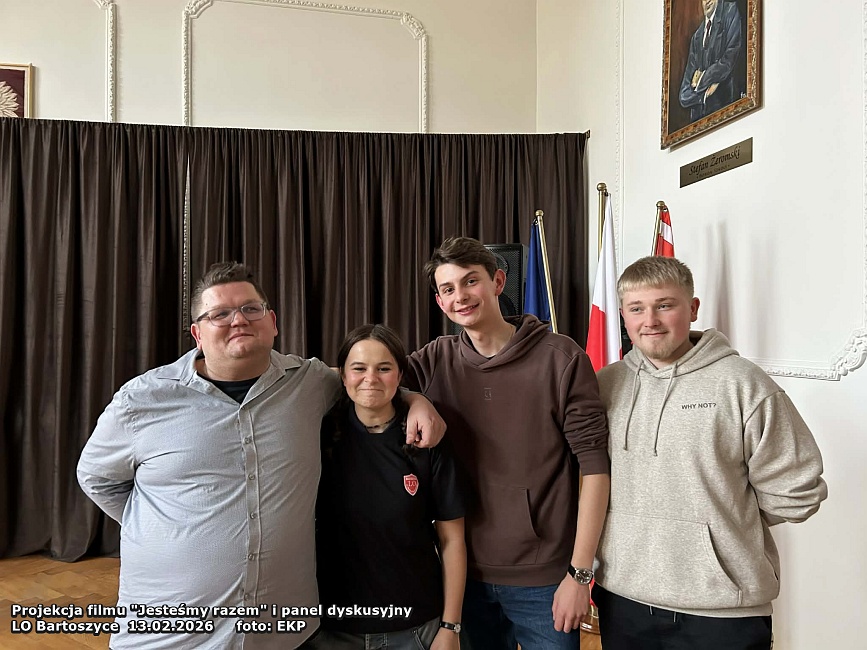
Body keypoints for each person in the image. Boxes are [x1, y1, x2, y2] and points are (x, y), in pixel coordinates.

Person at [76, 262, 445, 650]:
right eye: (220, 314)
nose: (238, 320)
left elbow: (365, 380)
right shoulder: (142, 400)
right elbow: (97, 479)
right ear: (197, 334)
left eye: (250, 309)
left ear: (272, 322)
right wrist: (161, 528)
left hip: (281, 633)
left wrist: (414, 398)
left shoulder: (310, 383)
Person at [592, 255, 828, 650]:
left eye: (664, 305)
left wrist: (720, 524)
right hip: (623, 599)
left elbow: (797, 494)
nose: (650, 320)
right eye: (636, 308)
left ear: (693, 308)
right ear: (623, 316)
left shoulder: (744, 385)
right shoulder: (604, 385)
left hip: (723, 612)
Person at [404, 236, 610, 649]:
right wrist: (414, 398)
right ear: (440, 302)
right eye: (448, 289)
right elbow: (365, 383)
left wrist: (580, 574)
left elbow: (595, 468)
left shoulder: (561, 358)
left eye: (471, 281)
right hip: (462, 577)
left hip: (545, 581)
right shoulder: (433, 360)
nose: (461, 296)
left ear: (498, 282)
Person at [313, 324, 466, 650]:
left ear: (400, 376)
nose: (371, 378)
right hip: (332, 630)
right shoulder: (316, 436)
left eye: (384, 368)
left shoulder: (428, 437)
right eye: (359, 368)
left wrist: (450, 626)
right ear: (343, 376)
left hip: (415, 628)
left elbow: (452, 539)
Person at [678, 0, 743, 123]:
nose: (707, 1)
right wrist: (704, 95)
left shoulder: (730, 12)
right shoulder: (696, 38)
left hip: (726, 114)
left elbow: (728, 60)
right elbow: (684, 95)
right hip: (699, 122)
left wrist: (701, 79)